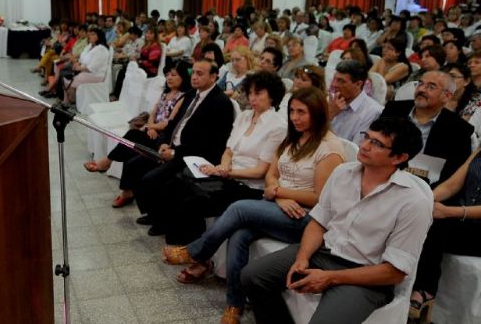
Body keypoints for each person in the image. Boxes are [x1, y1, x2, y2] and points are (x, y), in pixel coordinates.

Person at [165, 87, 345, 324]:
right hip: (280, 207)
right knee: (239, 234)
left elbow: (321, 198)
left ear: (318, 113)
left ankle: (196, 251)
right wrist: (278, 195)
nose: (295, 117)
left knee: (240, 208)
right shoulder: (294, 138)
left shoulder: (329, 148)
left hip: (308, 219)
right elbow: (271, 176)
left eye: (302, 112)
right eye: (292, 111)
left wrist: (279, 191)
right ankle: (234, 305)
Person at [242, 117, 432, 324]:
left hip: (366, 276)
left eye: (376, 143)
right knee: (252, 276)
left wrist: (330, 277)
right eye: (366, 137)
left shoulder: (413, 202)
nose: (364, 145)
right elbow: (318, 223)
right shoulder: (343, 173)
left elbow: (394, 272)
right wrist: (303, 257)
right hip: (324, 254)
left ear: (399, 157)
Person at [157, 71, 287, 248]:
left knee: (191, 202)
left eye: (258, 93)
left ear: (272, 95)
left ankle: (188, 250)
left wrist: (224, 171)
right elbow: (228, 150)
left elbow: (261, 171)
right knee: (175, 185)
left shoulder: (277, 126)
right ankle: (179, 242)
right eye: (250, 93)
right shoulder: (245, 116)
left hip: (251, 187)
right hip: (228, 176)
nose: (252, 98)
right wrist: (223, 166)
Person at [118, 59, 234, 225]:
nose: (194, 77)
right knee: (134, 164)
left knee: (151, 178)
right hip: (173, 147)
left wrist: (175, 153)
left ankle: (160, 220)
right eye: (192, 73)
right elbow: (173, 124)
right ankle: (152, 212)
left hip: (192, 155)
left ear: (214, 76)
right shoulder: (191, 95)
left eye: (199, 74)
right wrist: (164, 143)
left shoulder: (220, 103)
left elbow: (210, 142)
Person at [84, 62, 190, 182]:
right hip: (152, 130)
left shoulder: (183, 97)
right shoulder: (166, 92)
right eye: (167, 74)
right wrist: (150, 127)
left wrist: (150, 127)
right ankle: (117, 176)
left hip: (162, 136)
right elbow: (153, 113)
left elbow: (169, 123)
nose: (169, 77)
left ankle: (107, 163)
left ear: (183, 77)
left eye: (174, 75)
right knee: (131, 141)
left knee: (132, 136)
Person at [408, 148, 481, 323]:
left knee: (438, 224)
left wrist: (450, 211)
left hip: (472, 224)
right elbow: (452, 184)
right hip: (461, 219)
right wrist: (426, 201)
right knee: (423, 214)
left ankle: (425, 289)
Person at [381, 70, 474, 185]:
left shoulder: (459, 129)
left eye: (431, 87)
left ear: (447, 96)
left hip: (426, 187)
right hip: (384, 174)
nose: (421, 89)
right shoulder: (394, 110)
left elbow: (453, 174)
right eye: (420, 84)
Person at [329, 60, 383, 144]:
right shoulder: (330, 100)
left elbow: (355, 150)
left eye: (341, 81)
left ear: (358, 84)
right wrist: (330, 114)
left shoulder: (373, 112)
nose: (334, 85)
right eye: (334, 79)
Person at [60, 27, 109, 105]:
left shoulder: (102, 49)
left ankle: (69, 101)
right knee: (65, 76)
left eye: (93, 34)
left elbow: (93, 67)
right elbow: (82, 59)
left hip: (95, 75)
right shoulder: (89, 46)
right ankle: (68, 100)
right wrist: (77, 64)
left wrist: (79, 68)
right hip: (84, 71)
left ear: (99, 36)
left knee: (69, 81)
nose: (90, 36)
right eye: (90, 34)